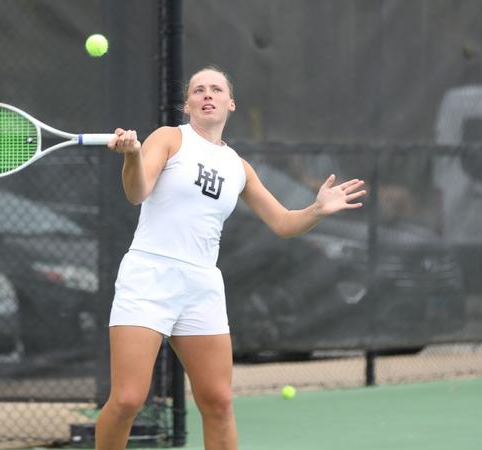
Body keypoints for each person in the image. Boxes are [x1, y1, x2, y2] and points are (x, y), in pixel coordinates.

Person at [96, 65, 366, 450]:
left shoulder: (238, 167)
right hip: (149, 275)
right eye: (198, 90)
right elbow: (137, 192)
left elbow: (284, 223)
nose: (207, 95)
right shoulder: (169, 139)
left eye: (216, 90)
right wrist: (132, 156)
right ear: (187, 104)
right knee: (127, 400)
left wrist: (317, 210)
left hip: (202, 285)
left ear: (230, 103)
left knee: (219, 402)